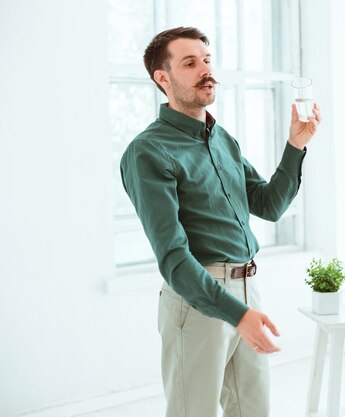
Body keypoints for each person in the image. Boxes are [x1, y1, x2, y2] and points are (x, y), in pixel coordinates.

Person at [120, 26, 321, 417]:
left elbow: (269, 204)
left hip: (248, 291)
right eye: (190, 63)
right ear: (163, 78)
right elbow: (173, 257)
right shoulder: (148, 151)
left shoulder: (222, 139)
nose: (205, 70)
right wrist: (236, 314)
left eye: (207, 60)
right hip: (198, 302)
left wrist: (296, 144)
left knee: (253, 411)